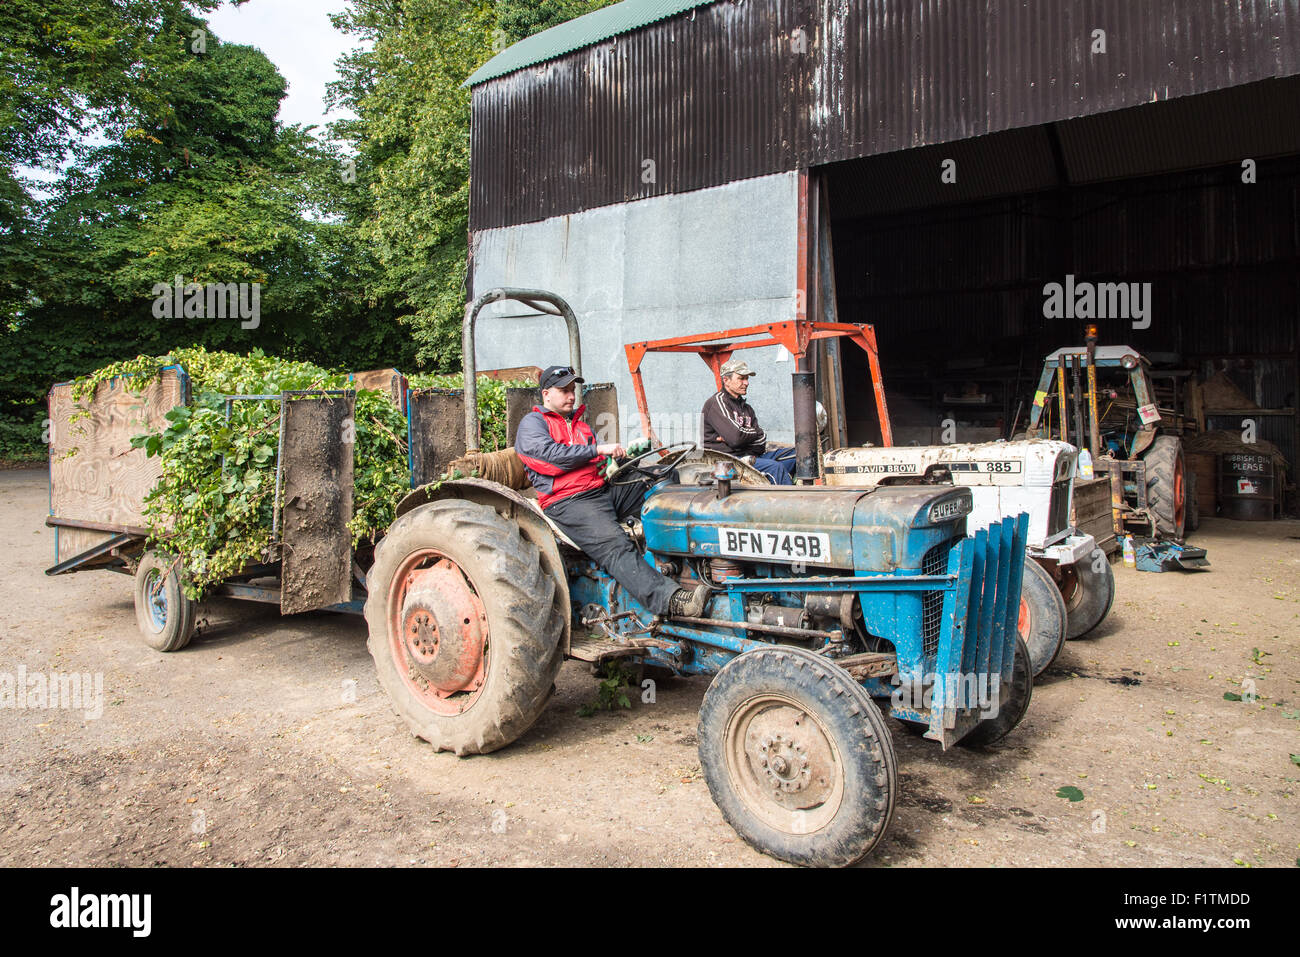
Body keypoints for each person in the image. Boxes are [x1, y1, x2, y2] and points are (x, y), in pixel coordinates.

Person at [515, 365, 710, 618]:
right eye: (563, 390)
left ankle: (689, 561)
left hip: (600, 491)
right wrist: (598, 451)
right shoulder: (533, 424)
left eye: (572, 389)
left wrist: (625, 459)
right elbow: (550, 459)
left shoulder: (580, 425)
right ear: (546, 394)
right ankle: (671, 601)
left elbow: (599, 466)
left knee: (661, 479)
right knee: (615, 544)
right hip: (568, 502)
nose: (571, 396)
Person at [701, 358, 796, 485]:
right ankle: (787, 501)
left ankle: (785, 483)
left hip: (750, 457)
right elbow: (735, 438)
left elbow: (761, 439)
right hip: (728, 461)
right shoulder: (716, 403)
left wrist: (740, 437)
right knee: (775, 467)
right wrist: (745, 436)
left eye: (747, 378)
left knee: (797, 453)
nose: (746, 383)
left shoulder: (747, 408)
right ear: (726, 380)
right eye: (741, 378)